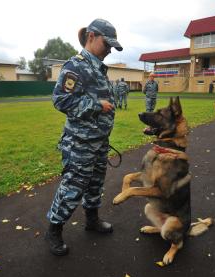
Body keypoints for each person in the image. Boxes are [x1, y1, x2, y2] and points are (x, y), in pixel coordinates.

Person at [45, 18, 122, 256]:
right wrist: (97, 105)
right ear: (91, 36)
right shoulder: (75, 65)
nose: (109, 49)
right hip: (79, 143)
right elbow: (61, 100)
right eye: (106, 44)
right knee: (73, 187)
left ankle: (92, 220)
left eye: (112, 46)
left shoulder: (98, 66)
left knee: (95, 184)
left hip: (98, 142)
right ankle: (54, 231)